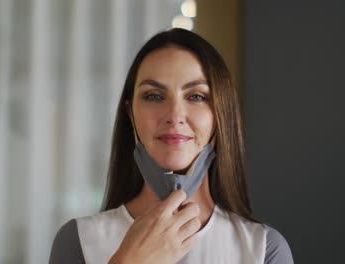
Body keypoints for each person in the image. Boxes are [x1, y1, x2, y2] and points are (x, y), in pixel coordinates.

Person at [49, 28, 294, 264]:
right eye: (154, 96)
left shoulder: (264, 249)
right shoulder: (78, 241)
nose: (174, 114)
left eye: (196, 96)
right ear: (130, 114)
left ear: (220, 115)